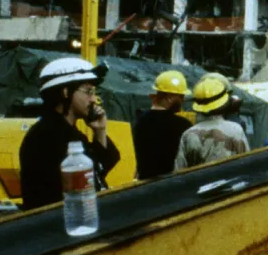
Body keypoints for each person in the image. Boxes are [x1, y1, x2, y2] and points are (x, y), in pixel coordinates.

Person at [20, 57, 122, 211]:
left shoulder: (69, 131)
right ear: (66, 92)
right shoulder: (47, 135)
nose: (94, 99)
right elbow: (89, 176)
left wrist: (100, 130)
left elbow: (98, 168)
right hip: (58, 225)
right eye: (88, 91)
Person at [175, 73, 249, 170]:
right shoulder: (236, 130)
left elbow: (179, 172)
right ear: (225, 102)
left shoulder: (188, 135)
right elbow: (247, 163)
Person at [133, 70, 192, 180]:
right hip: (170, 185)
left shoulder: (140, 120)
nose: (183, 100)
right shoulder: (182, 124)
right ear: (169, 97)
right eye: (181, 96)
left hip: (144, 184)